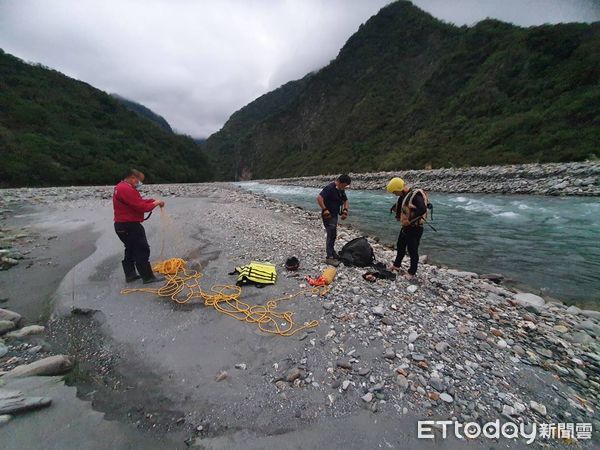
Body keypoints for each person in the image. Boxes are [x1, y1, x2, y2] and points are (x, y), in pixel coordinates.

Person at [113, 169, 165, 284]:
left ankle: (130, 275)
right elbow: (142, 207)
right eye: (138, 180)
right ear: (132, 178)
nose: (138, 183)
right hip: (130, 226)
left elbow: (137, 202)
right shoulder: (126, 189)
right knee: (141, 249)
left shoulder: (120, 187)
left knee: (130, 249)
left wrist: (152, 201)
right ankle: (148, 277)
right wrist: (156, 203)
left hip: (121, 225)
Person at [387, 177, 428, 280]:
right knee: (400, 246)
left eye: (395, 191)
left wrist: (410, 219)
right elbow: (402, 206)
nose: (394, 194)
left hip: (415, 228)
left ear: (400, 188)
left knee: (412, 250)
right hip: (406, 227)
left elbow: (422, 209)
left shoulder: (415, 196)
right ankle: (396, 265)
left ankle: (412, 272)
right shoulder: (403, 196)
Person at [316, 174, 351, 265]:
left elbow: (345, 201)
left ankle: (332, 252)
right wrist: (324, 209)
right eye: (344, 185)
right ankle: (329, 257)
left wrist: (345, 210)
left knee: (334, 235)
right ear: (339, 182)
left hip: (334, 215)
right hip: (328, 215)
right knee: (331, 234)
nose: (345, 187)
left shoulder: (341, 190)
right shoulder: (330, 188)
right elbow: (319, 198)